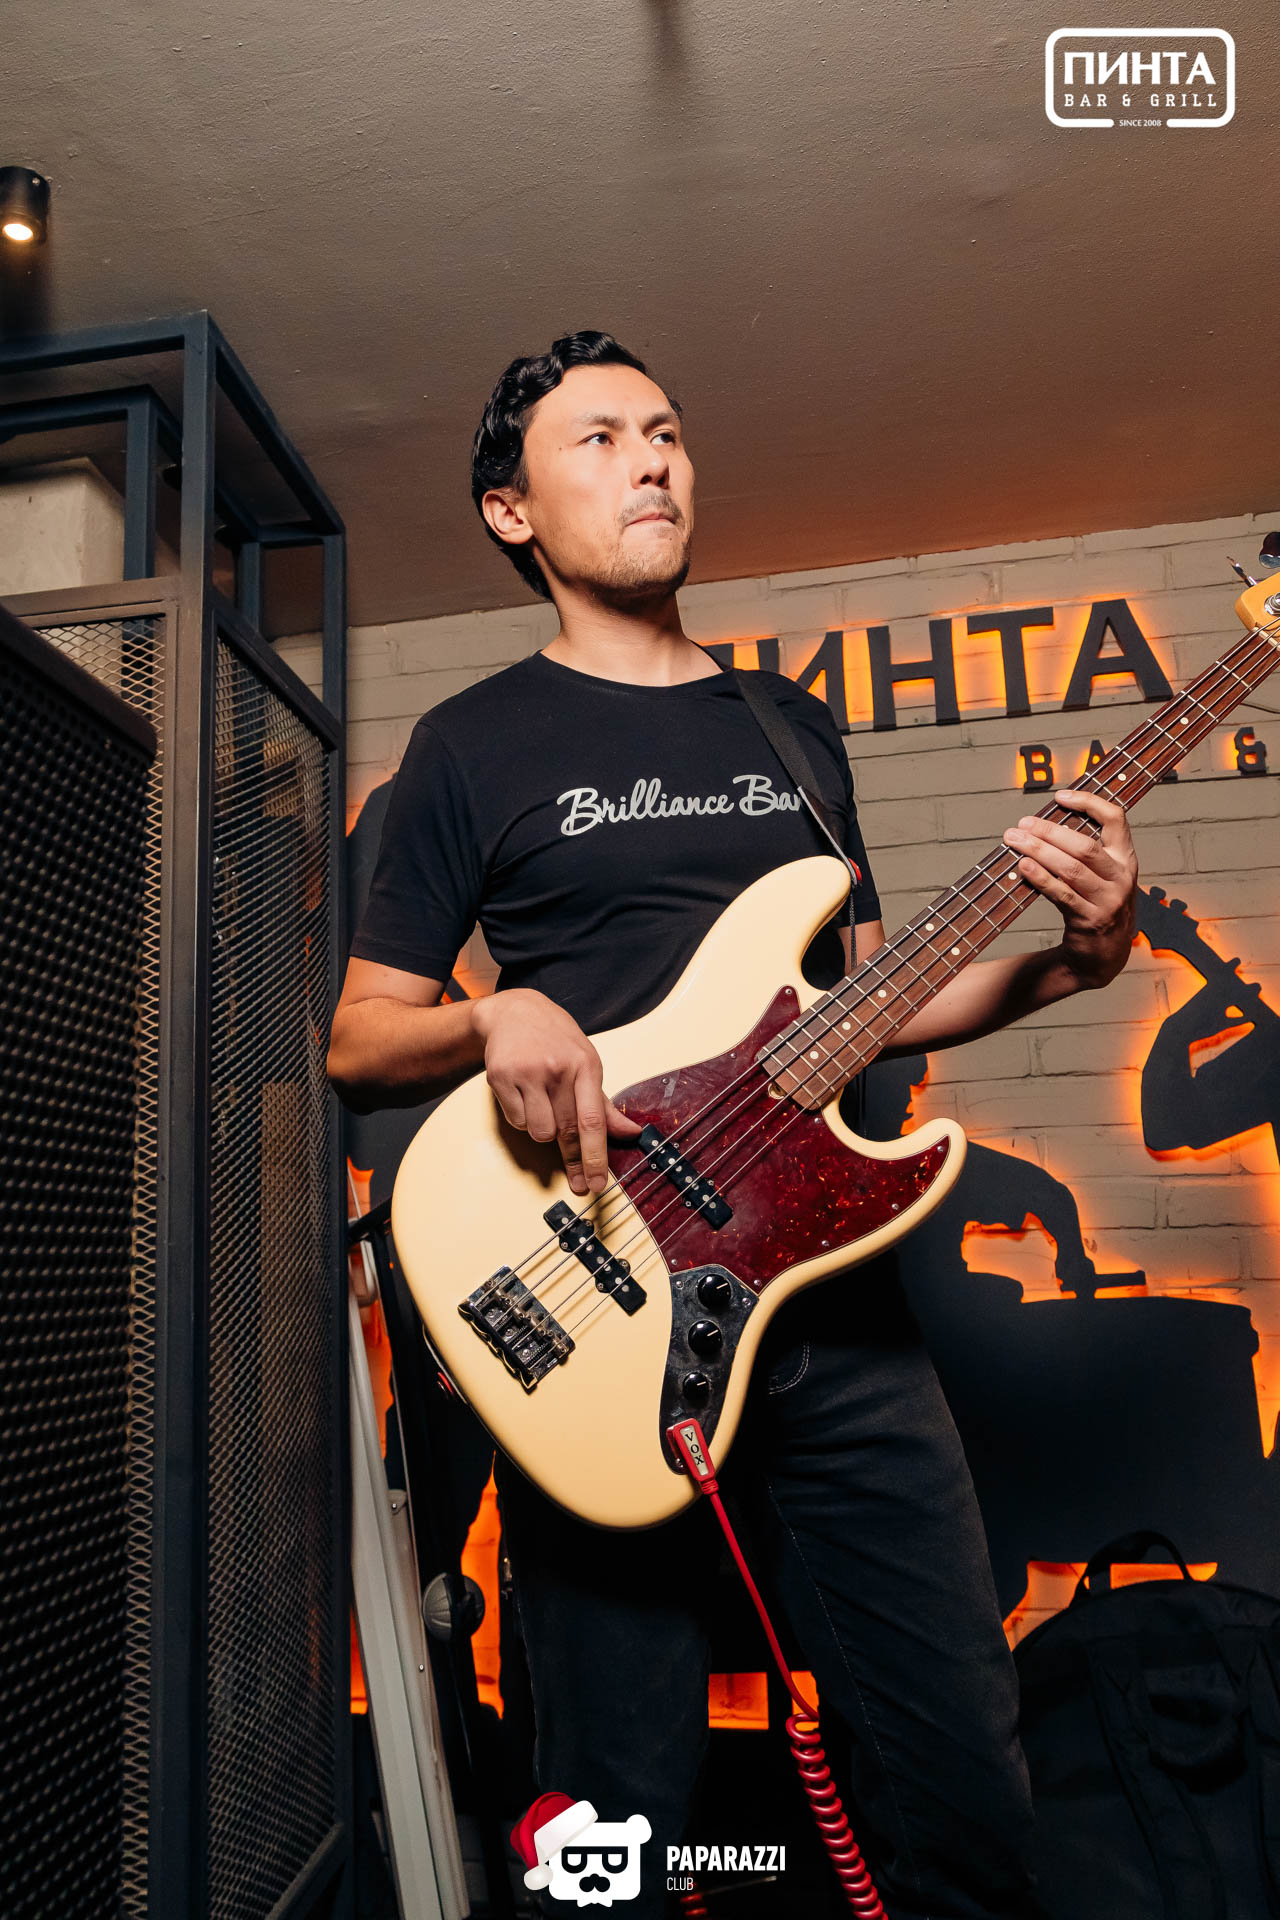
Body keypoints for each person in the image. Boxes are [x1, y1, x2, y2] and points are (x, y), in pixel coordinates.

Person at [327, 331, 1139, 1918]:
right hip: (600, 1296)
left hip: (834, 1310)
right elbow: (358, 1042)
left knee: (959, 1760)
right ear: (510, 512)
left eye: (667, 431)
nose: (651, 458)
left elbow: (862, 1008)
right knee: (619, 1813)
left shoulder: (790, 729)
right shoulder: (471, 744)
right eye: (600, 438)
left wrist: (1076, 959)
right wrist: (493, 1012)